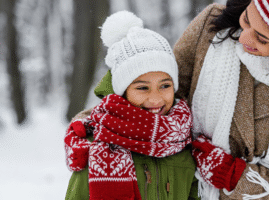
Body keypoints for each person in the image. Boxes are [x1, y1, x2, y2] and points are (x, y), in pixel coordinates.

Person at [173, 0, 269, 199]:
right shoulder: (213, 23)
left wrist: (236, 178)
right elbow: (166, 96)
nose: (242, 37)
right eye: (246, 20)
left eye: (262, 38)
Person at [64, 11, 199, 200]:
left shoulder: (186, 142)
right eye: (142, 88)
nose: (155, 99)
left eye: (165, 86)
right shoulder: (96, 148)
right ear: (123, 91)